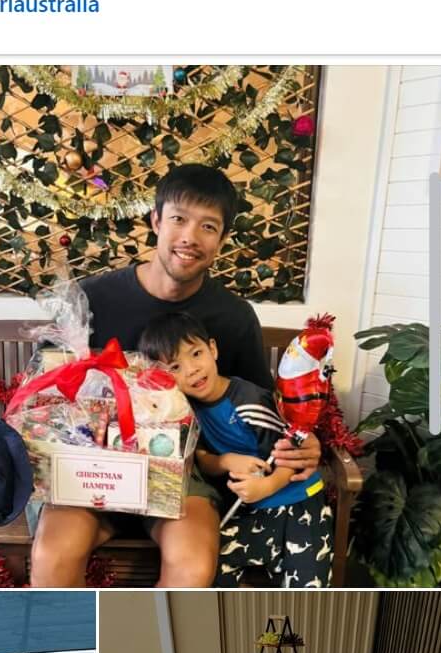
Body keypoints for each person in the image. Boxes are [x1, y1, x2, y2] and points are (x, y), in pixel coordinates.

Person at [24, 163, 321, 588]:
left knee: (193, 564)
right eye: (179, 219)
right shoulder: (92, 299)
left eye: (208, 227)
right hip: (95, 465)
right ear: (156, 221)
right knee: (53, 554)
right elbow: (40, 392)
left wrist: (299, 443)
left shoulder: (233, 317)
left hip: (184, 472)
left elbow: (262, 408)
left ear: (221, 240)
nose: (190, 237)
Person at [139, 312, 332, 588]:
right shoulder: (186, 411)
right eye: (175, 367)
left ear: (213, 349)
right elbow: (203, 458)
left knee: (309, 589)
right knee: (210, 564)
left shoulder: (248, 402)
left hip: (298, 504)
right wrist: (227, 461)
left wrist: (267, 485)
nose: (191, 369)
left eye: (196, 353)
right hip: (254, 512)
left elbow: (291, 450)